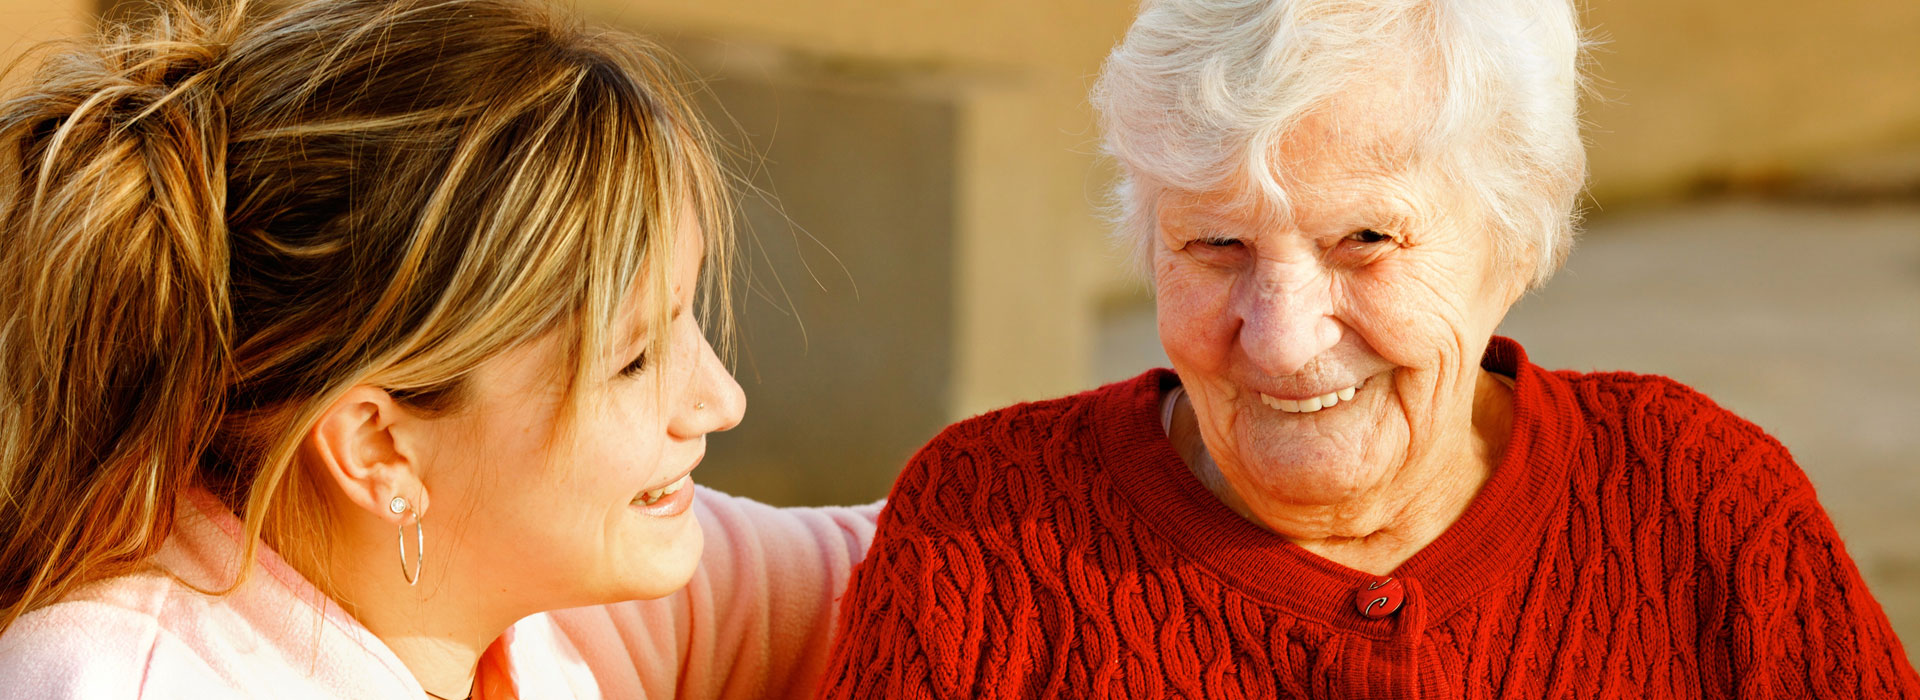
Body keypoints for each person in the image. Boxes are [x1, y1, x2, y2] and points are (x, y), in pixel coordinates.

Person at [818, 0, 1920, 697]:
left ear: (1516, 235)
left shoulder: (1703, 503)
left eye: (1366, 240)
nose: (1284, 338)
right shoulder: (988, 536)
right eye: (1214, 243)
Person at [0, 1, 876, 697]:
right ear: (379, 447)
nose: (721, 400)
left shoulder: (552, 587)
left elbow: (941, 553)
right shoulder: (121, 681)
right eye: (634, 360)